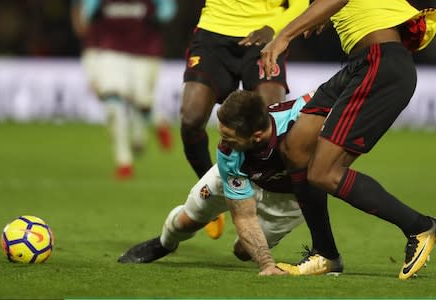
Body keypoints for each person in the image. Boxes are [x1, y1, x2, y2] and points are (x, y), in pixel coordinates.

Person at [260, 0, 436, 280]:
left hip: (381, 62)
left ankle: (420, 226)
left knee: (324, 172)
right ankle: (325, 254)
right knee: (296, 146)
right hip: (362, 63)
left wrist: (285, 35)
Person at [118, 90, 343, 276]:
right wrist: (266, 264)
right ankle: (164, 243)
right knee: (187, 222)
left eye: (229, 136)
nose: (222, 142)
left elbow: (342, 93)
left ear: (255, 136)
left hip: (288, 198)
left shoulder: (303, 114)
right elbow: (244, 216)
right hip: (241, 176)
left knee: (243, 251)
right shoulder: (229, 152)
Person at [180, 0, 310, 239]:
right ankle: (209, 194)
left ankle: (266, 199)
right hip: (213, 33)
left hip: (265, 35)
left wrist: (273, 27)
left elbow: (301, 3)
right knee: (191, 120)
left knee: (271, 117)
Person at [71, 0, 176, 180]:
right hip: (112, 52)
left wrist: (156, 16)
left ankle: (158, 121)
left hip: (145, 53)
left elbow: (167, 12)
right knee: (113, 103)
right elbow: (85, 14)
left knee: (142, 102)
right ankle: (124, 162)